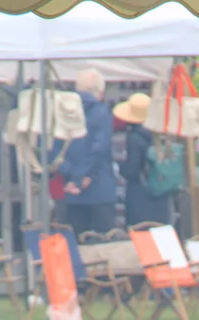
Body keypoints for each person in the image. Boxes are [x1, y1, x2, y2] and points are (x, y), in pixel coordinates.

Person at [56, 70, 118, 237]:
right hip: (100, 188)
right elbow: (100, 149)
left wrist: (72, 177)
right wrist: (83, 178)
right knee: (104, 246)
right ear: (100, 92)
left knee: (75, 247)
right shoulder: (102, 112)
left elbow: (56, 150)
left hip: (71, 191)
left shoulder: (63, 112)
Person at [115, 93, 171, 228]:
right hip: (161, 196)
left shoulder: (134, 137)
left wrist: (119, 166)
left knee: (140, 237)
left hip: (140, 196)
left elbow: (132, 170)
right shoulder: (160, 134)